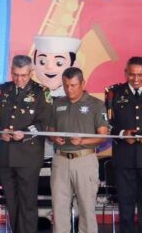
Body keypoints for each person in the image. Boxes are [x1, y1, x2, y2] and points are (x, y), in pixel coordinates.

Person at [0, 55, 51, 233]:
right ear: (11, 71)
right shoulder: (2, 90)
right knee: (11, 201)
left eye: (23, 75)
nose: (19, 79)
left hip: (28, 157)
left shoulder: (41, 92)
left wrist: (24, 134)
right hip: (5, 156)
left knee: (27, 201)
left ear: (31, 72)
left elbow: (44, 122)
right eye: (15, 74)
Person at [48, 67, 108, 233]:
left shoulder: (96, 104)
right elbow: (50, 130)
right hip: (60, 160)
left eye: (73, 85)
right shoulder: (57, 103)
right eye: (66, 85)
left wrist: (83, 141)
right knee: (59, 208)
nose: (69, 89)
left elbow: (103, 136)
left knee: (86, 208)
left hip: (85, 160)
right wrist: (54, 137)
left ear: (83, 83)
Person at [105, 56, 142, 233]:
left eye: (140, 75)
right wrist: (122, 134)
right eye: (132, 74)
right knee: (125, 208)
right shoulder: (114, 93)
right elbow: (106, 124)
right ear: (125, 73)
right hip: (124, 159)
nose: (136, 79)